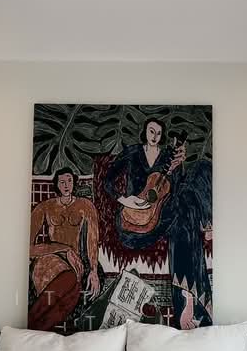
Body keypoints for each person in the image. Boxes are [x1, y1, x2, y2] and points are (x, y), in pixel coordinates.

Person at [104, 117, 212, 329]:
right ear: (144, 131)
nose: (154, 136)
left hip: (162, 215)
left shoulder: (166, 155)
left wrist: (178, 167)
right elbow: (108, 179)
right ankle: (193, 299)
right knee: (184, 216)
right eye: (151, 131)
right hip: (133, 222)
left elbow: (174, 188)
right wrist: (124, 199)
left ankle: (187, 299)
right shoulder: (132, 152)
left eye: (159, 133)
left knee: (200, 170)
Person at [28, 167, 100, 330]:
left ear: (74, 182)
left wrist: (94, 270)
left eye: (69, 181)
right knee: (69, 280)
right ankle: (35, 321)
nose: (66, 185)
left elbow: (93, 240)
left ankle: (36, 326)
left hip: (75, 260)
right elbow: (28, 249)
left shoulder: (86, 205)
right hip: (49, 257)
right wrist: (65, 249)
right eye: (62, 182)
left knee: (73, 286)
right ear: (56, 184)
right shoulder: (45, 207)